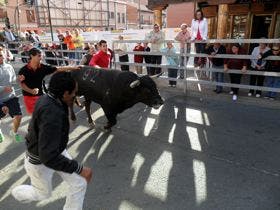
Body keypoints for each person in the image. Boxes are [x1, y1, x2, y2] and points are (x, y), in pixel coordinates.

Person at [11, 72, 92, 209]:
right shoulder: (52, 114)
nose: (75, 95)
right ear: (65, 93)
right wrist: (79, 168)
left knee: (79, 183)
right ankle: (18, 192)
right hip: (39, 162)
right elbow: (48, 156)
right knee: (43, 195)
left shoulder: (49, 97)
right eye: (74, 93)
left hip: (54, 150)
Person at [18, 47, 80, 115]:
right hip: (29, 97)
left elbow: (58, 69)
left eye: (42, 56)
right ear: (32, 56)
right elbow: (22, 84)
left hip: (41, 95)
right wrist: (31, 91)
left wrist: (73, 68)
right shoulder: (23, 70)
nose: (41, 58)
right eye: (39, 56)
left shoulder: (43, 67)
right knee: (35, 116)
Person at [0, 50, 23, 142]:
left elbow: (12, 80)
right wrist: (3, 88)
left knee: (18, 116)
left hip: (11, 96)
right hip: (0, 99)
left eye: (1, 55)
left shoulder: (9, 66)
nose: (0, 57)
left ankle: (14, 132)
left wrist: (18, 79)